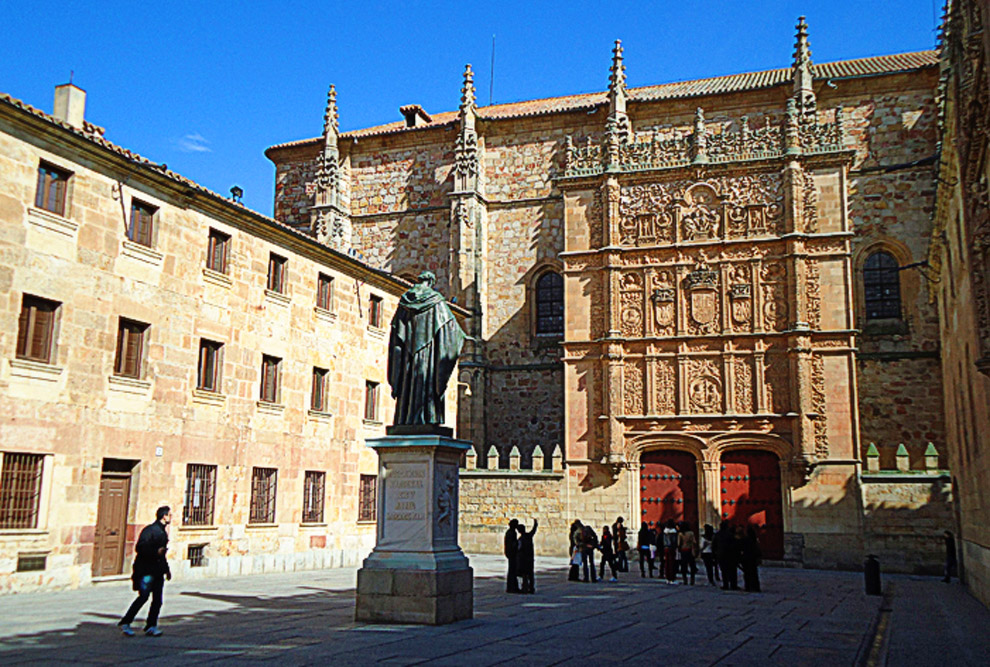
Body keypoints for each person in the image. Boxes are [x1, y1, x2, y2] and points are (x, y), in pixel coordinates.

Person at [387, 271, 466, 426]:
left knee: (408, 385)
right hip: (428, 356)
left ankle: (405, 419)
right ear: (430, 282)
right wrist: (463, 336)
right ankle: (428, 419)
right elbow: (449, 328)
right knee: (427, 381)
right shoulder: (436, 301)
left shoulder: (404, 303)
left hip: (407, 358)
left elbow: (397, 333)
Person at [118, 506, 172, 637]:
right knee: (143, 597)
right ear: (163, 516)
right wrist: (155, 552)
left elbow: (162, 555)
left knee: (157, 600)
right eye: (169, 515)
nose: (171, 517)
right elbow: (140, 548)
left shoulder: (162, 531)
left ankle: (151, 626)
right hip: (147, 570)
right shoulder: (150, 530)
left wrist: (167, 570)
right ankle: (126, 622)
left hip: (158, 571)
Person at [715, 520, 740, 591]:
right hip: (730, 555)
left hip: (721, 554)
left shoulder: (717, 535)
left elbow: (714, 545)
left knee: (724, 571)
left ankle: (725, 584)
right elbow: (735, 545)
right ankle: (733, 585)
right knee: (732, 570)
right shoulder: (731, 535)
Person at [516, 519, 538, 594]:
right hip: (530, 558)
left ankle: (525, 588)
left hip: (523, 559)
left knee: (524, 574)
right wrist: (535, 524)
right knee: (530, 574)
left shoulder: (521, 539)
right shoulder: (529, 536)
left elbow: (519, 549)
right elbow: (533, 530)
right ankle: (531, 588)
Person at [741, 525, 762, 592]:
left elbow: (741, 548)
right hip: (753, 558)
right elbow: (758, 549)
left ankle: (747, 587)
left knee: (747, 573)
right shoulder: (755, 540)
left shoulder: (745, 540)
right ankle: (756, 587)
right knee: (754, 573)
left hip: (746, 558)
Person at [504, 519, 520, 593]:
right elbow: (512, 544)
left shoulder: (510, 532)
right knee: (512, 571)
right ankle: (512, 587)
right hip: (512, 553)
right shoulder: (512, 533)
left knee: (512, 571)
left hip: (510, 553)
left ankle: (512, 587)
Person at [662, 520, 680, 584]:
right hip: (672, 548)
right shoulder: (673, 532)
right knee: (672, 563)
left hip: (666, 548)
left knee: (667, 563)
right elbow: (674, 541)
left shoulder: (665, 532)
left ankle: (667, 577)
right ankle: (672, 578)